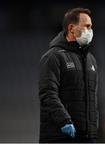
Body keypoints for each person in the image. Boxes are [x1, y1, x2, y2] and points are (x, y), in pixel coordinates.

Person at [38, 7, 99, 143]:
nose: (90, 31)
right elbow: (47, 94)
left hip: (87, 137)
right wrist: (64, 121)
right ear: (71, 28)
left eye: (91, 27)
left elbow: (92, 99)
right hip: (60, 136)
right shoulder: (53, 57)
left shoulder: (90, 59)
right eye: (87, 27)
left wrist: (93, 131)